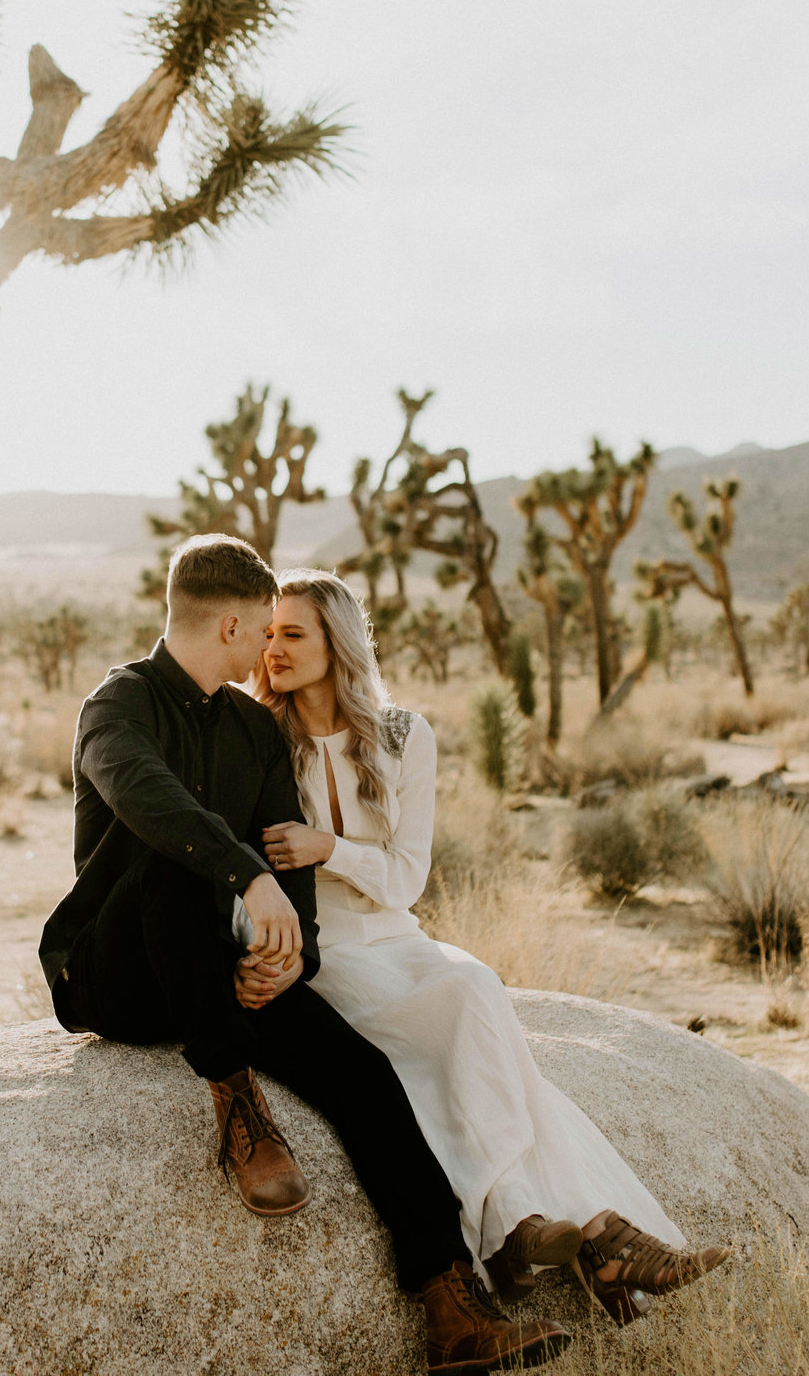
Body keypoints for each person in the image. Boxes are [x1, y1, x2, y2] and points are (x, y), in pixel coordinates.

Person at [40, 535, 571, 1373]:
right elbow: (148, 797)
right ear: (230, 625)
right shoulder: (117, 707)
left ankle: (453, 1308)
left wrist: (295, 960)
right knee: (174, 862)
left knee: (362, 1075)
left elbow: (295, 887)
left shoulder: (255, 730)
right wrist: (243, 874)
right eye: (264, 630)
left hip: (219, 971)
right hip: (118, 972)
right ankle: (235, 1098)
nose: (270, 651)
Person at [252, 569, 733, 1326]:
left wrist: (328, 847)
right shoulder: (255, 739)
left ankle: (531, 1234)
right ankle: (584, 1238)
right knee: (480, 1028)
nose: (272, 647)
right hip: (324, 950)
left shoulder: (405, 734)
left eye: (292, 632)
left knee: (476, 985)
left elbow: (407, 879)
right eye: (269, 632)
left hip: (396, 935)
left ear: (335, 641)